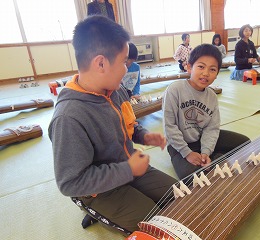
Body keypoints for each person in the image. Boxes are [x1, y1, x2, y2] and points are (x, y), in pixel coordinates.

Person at [48, 15, 176, 235]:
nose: (127, 69)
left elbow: (127, 124)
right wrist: (127, 169)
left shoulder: (114, 89)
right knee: (158, 228)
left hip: (128, 167)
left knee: (181, 197)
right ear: (101, 63)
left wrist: (143, 135)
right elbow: (70, 183)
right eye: (124, 62)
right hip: (99, 191)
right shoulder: (68, 117)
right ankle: (94, 211)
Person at [163, 44, 250, 180]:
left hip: (201, 138)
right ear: (189, 67)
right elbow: (169, 127)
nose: (206, 73)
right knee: (192, 178)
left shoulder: (212, 96)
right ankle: (216, 158)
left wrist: (206, 152)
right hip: (179, 146)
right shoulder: (175, 90)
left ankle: (213, 157)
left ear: (217, 74)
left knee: (245, 143)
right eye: (201, 67)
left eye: (212, 69)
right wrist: (187, 153)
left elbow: (212, 128)